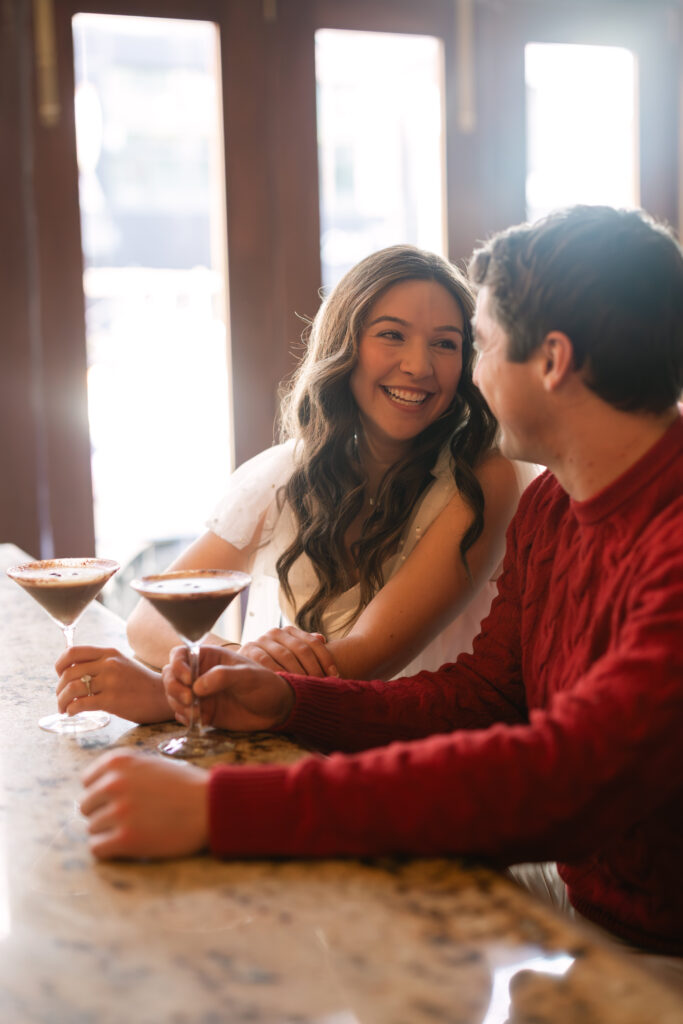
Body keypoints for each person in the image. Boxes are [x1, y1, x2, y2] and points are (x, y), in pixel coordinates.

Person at [78, 206, 683, 968]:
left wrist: (221, 809)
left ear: (552, 361)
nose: (463, 376)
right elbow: (481, 699)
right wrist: (289, 700)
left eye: (479, 345)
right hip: (592, 901)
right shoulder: (553, 510)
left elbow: (561, 776)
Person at [56, 246, 525, 722]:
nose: (419, 366)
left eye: (445, 344)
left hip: (420, 754)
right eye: (391, 335)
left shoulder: (483, 478)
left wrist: (175, 696)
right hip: (305, 743)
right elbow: (152, 620)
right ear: (345, 344)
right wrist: (233, 660)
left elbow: (367, 662)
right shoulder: (288, 472)